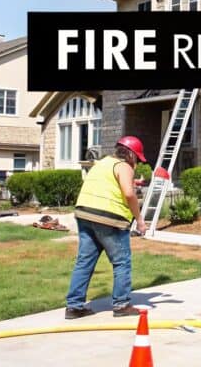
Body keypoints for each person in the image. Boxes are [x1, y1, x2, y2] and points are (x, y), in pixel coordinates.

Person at [65, 135, 148, 319]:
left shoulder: (101, 164)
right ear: (132, 156)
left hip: (84, 213)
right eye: (137, 160)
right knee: (121, 262)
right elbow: (128, 194)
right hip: (110, 219)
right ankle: (121, 305)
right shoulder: (124, 166)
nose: (137, 164)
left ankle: (74, 306)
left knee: (84, 262)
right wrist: (139, 220)